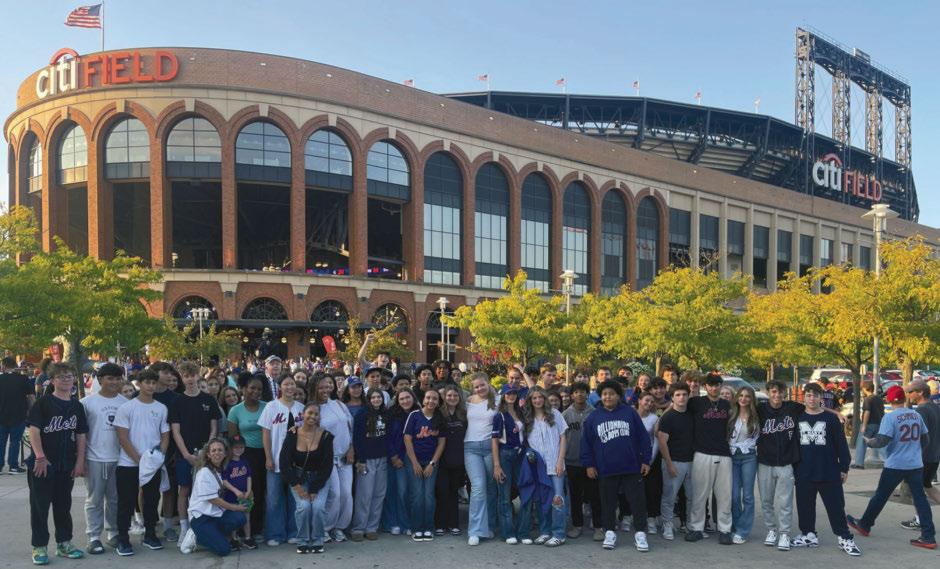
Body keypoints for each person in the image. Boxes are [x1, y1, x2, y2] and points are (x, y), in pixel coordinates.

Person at [848, 384, 935, 549]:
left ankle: (865, 524)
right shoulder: (916, 415)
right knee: (920, 499)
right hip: (915, 464)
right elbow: (926, 439)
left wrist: (869, 442)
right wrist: (915, 452)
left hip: (896, 464)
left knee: (880, 496)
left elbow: (882, 440)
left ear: (889, 400)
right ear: (904, 398)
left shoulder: (890, 417)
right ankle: (928, 536)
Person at [25, 362, 88, 565]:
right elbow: (34, 431)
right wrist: (40, 457)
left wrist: (80, 461)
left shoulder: (77, 406)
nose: (66, 380)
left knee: (63, 506)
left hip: (66, 463)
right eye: (61, 377)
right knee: (40, 507)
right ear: (52, 381)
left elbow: (81, 435)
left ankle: (64, 543)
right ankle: (39, 546)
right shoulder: (43, 403)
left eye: (69, 376)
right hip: (42, 465)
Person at [580, 380, 651, 552]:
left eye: (611, 393)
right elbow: (586, 443)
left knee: (637, 501)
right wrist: (589, 464)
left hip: (631, 466)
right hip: (605, 468)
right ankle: (609, 532)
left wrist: (646, 460)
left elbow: (643, 438)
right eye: (605, 394)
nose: (608, 397)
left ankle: (640, 533)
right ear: (600, 396)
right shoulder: (594, 417)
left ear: (618, 396)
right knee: (607, 502)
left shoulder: (630, 413)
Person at [792, 383, 860, 555]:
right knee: (805, 506)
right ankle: (808, 535)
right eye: (808, 395)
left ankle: (844, 537)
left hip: (829, 471)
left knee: (836, 507)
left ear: (821, 397)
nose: (811, 398)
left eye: (815, 395)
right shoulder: (798, 417)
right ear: (804, 397)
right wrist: (793, 469)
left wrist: (844, 467)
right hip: (804, 471)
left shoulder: (831, 419)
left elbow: (841, 445)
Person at [114, 369, 170, 556]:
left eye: (154, 383)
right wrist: (139, 460)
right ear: (139, 384)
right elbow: (123, 437)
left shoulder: (161, 408)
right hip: (128, 463)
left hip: (152, 465)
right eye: (147, 382)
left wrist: (158, 457)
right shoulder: (127, 408)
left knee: (152, 500)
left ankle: (150, 535)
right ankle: (123, 539)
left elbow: (165, 436)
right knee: (126, 502)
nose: (151, 386)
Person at [170, 361, 221, 541]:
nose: (190, 379)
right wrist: (185, 454)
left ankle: (203, 526)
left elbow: (214, 428)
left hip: (206, 455)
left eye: (192, 375)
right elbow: (175, 431)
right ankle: (184, 528)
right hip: (184, 455)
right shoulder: (177, 401)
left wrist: (206, 451)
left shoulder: (209, 400)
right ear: (182, 378)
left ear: (198, 376)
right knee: (184, 490)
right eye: (186, 376)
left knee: (206, 490)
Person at [81, 363, 128, 554]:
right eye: (110, 378)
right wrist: (81, 459)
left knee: (115, 499)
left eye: (117, 378)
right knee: (94, 500)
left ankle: (113, 533)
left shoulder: (125, 403)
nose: (114, 382)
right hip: (94, 459)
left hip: (120, 459)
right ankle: (93, 537)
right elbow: (81, 434)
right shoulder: (87, 403)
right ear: (100, 380)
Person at [756, 380, 806, 551]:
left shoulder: (792, 407)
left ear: (785, 392)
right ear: (768, 392)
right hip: (765, 461)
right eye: (773, 391)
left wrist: (836, 413)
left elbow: (814, 407)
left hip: (786, 461)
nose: (777, 395)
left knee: (785, 500)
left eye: (780, 392)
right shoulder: (760, 409)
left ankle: (784, 533)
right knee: (766, 500)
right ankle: (771, 530)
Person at [178, 438, 249, 556]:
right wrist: (235, 507)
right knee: (224, 550)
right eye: (214, 450)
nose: (217, 453)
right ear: (208, 454)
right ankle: (196, 535)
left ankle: (212, 535)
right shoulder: (204, 472)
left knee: (240, 518)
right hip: (201, 518)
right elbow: (213, 499)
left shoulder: (220, 470)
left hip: (215, 515)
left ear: (225, 454)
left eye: (220, 450)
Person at [685, 372, 733, 544]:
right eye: (711, 385)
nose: (714, 388)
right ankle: (696, 528)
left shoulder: (727, 404)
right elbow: (677, 407)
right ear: (706, 387)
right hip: (702, 453)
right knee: (699, 494)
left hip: (724, 453)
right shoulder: (696, 403)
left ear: (721, 386)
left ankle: (725, 529)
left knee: (724, 495)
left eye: (717, 385)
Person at [281, 404, 334, 554]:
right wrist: (296, 485)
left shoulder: (326, 436)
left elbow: (327, 465)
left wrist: (315, 488)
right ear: (303, 414)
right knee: (304, 507)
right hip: (299, 478)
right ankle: (302, 540)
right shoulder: (292, 434)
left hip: (320, 478)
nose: (312, 416)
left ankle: (318, 540)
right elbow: (284, 462)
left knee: (318, 507)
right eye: (310, 413)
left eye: (316, 414)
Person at [258, 375, 304, 546]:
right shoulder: (271, 407)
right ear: (280, 387)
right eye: (286, 384)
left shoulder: (301, 408)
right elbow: (266, 434)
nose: (289, 387)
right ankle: (275, 534)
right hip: (276, 459)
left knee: (295, 498)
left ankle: (294, 532)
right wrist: (268, 457)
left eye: (292, 384)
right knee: (274, 499)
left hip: (296, 461)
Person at [519, 386, 568, 547]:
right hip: (538, 466)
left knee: (557, 498)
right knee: (541, 499)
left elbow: (563, 438)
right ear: (530, 400)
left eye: (540, 397)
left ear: (544, 398)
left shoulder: (555, 414)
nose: (538, 400)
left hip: (555, 463)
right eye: (534, 398)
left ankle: (559, 533)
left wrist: (560, 460)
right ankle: (545, 531)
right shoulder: (528, 419)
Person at [313, 376, 354, 542]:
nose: (325, 390)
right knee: (335, 494)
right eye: (321, 387)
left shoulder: (339, 404)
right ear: (315, 388)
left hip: (345, 457)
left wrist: (351, 448)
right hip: (327, 459)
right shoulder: (313, 409)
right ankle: (325, 528)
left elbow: (350, 427)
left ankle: (339, 527)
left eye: (328, 385)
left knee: (346, 494)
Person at [227, 374, 267, 541]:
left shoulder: (267, 407)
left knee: (263, 491)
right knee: (250, 491)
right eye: (252, 388)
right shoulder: (235, 411)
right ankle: (246, 529)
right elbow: (233, 439)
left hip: (266, 453)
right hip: (246, 455)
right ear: (243, 389)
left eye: (259, 389)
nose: (256, 391)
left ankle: (259, 528)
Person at [403, 389, 446, 542]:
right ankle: (416, 528)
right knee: (417, 495)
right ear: (423, 400)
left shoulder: (440, 418)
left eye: (434, 399)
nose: (430, 401)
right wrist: (414, 463)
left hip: (431, 462)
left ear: (438, 402)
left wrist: (432, 464)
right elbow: (407, 439)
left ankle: (428, 528)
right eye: (428, 397)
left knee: (428, 495)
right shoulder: (414, 415)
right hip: (413, 460)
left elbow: (441, 443)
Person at [898, 380, 940, 532]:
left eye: (910, 392)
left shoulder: (921, 411)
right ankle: (920, 519)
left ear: (921, 392)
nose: (908, 395)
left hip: (922, 457)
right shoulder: (936, 408)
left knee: (917, 490)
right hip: (934, 456)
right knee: (927, 486)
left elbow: (919, 437)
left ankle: (920, 520)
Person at [563, 381, 602, 540]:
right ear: (572, 395)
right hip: (571, 461)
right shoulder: (566, 414)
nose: (580, 394)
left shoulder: (594, 413)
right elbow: (562, 438)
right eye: (576, 392)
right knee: (575, 496)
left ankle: (599, 527)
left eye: (583, 392)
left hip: (591, 463)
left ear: (587, 394)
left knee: (594, 495)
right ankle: (577, 525)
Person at [464, 372, 497, 545]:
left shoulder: (498, 400)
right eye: (476, 386)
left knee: (491, 487)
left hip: (491, 447)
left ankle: (489, 526)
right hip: (471, 448)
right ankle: (475, 530)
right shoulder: (468, 401)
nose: (479, 389)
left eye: (482, 385)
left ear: (488, 383)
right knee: (478, 487)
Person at [658, 383, 694, 541]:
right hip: (674, 462)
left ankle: (691, 525)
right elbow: (662, 442)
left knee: (692, 496)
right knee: (669, 496)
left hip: (692, 462)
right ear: (672, 397)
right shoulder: (668, 417)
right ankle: (667, 524)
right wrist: (669, 464)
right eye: (678, 395)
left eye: (684, 394)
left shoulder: (692, 414)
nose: (682, 398)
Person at [351, 389, 388, 541]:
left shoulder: (386, 413)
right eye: (373, 397)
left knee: (379, 494)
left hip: (382, 458)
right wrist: (361, 459)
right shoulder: (362, 414)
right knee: (364, 495)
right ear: (368, 399)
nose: (376, 399)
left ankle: (372, 527)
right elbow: (357, 438)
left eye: (379, 397)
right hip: (366, 459)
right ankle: (358, 528)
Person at [492, 385, 525, 544]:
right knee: (504, 496)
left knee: (525, 492)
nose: (511, 396)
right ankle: (508, 532)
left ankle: (523, 531)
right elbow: (494, 441)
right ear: (503, 396)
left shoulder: (521, 413)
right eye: (508, 394)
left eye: (514, 393)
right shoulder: (500, 415)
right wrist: (496, 465)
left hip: (521, 455)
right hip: (505, 455)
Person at [728, 386, 760, 544]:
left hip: (749, 457)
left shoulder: (757, 416)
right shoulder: (730, 414)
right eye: (741, 395)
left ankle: (743, 531)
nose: (743, 398)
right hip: (732, 457)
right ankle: (736, 526)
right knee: (734, 496)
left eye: (747, 396)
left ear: (752, 399)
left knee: (747, 496)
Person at [383, 388, 417, 534]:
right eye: (401, 399)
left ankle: (406, 523)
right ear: (397, 401)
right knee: (392, 491)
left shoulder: (418, 414)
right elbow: (387, 437)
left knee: (405, 492)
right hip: (393, 457)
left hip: (409, 458)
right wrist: (393, 457)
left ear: (413, 398)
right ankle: (392, 523)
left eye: (407, 397)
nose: (405, 401)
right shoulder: (392, 414)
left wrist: (403, 457)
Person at [436, 385, 467, 536]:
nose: (452, 398)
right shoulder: (439, 413)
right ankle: (440, 524)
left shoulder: (463, 414)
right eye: (449, 395)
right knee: (442, 492)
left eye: (455, 395)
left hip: (459, 458)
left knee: (454, 492)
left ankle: (453, 524)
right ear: (444, 397)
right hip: (442, 458)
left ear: (459, 397)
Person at [0, 355, 34, 474]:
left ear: (3, 366)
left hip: (1, 415)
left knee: (1, 442)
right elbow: (31, 396)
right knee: (15, 441)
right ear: (15, 365)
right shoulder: (23, 379)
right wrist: (32, 411)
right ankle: (13, 466)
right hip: (18, 414)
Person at [221, 436, 256, 549]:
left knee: (246, 517)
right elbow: (224, 481)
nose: (239, 450)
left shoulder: (244, 462)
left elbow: (249, 476)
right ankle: (234, 539)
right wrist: (235, 491)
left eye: (241, 447)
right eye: (235, 447)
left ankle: (247, 538)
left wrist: (249, 490)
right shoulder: (227, 464)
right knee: (235, 518)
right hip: (232, 496)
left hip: (245, 496)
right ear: (230, 448)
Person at [637, 392, 663, 535]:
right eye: (647, 400)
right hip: (632, 460)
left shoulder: (655, 419)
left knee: (651, 490)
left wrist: (649, 461)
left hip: (650, 460)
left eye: (652, 401)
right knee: (633, 491)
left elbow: (656, 442)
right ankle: (629, 516)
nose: (649, 403)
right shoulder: (631, 416)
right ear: (639, 400)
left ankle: (651, 518)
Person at [852, 382, 884, 468]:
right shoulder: (879, 399)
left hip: (869, 424)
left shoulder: (868, 399)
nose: (862, 390)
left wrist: (864, 425)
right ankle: (889, 460)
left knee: (861, 443)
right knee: (879, 444)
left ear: (865, 389)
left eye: (862, 389)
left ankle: (859, 464)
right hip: (878, 424)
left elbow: (867, 412)